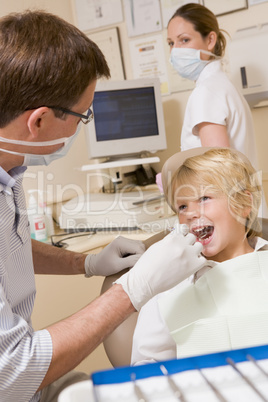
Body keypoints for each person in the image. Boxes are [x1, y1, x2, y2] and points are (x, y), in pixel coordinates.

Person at [0, 10, 207, 402]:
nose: (84, 125)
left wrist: (85, 264)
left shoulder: (10, 169)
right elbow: (11, 373)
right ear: (39, 121)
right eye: (82, 114)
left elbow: (9, 248)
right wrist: (133, 289)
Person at [131, 147, 268, 366]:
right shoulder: (168, 290)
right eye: (182, 206)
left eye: (204, 198)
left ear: (244, 204)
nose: (190, 213)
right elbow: (148, 367)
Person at [167, 3, 258, 169]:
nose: (175, 51)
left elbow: (218, 170)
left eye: (184, 40)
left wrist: (174, 180)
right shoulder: (222, 85)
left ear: (210, 40)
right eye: (171, 43)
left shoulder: (207, 91)